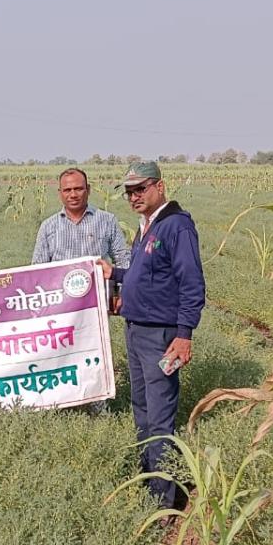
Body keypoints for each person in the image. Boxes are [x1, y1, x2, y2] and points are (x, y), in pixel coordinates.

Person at [98, 161, 205, 505]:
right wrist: (114, 273)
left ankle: (163, 500)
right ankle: (148, 481)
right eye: (129, 192)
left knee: (159, 417)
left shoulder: (176, 227)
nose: (134, 197)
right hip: (136, 331)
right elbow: (147, 275)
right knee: (142, 407)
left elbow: (191, 283)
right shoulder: (148, 226)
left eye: (140, 189)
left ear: (160, 186)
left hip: (161, 337)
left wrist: (184, 334)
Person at [31, 167, 130, 271]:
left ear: (88, 190)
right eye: (67, 190)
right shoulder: (48, 226)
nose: (73, 195)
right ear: (60, 193)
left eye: (78, 189)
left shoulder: (107, 221)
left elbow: (123, 260)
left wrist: (121, 285)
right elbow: (38, 270)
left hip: (98, 286)